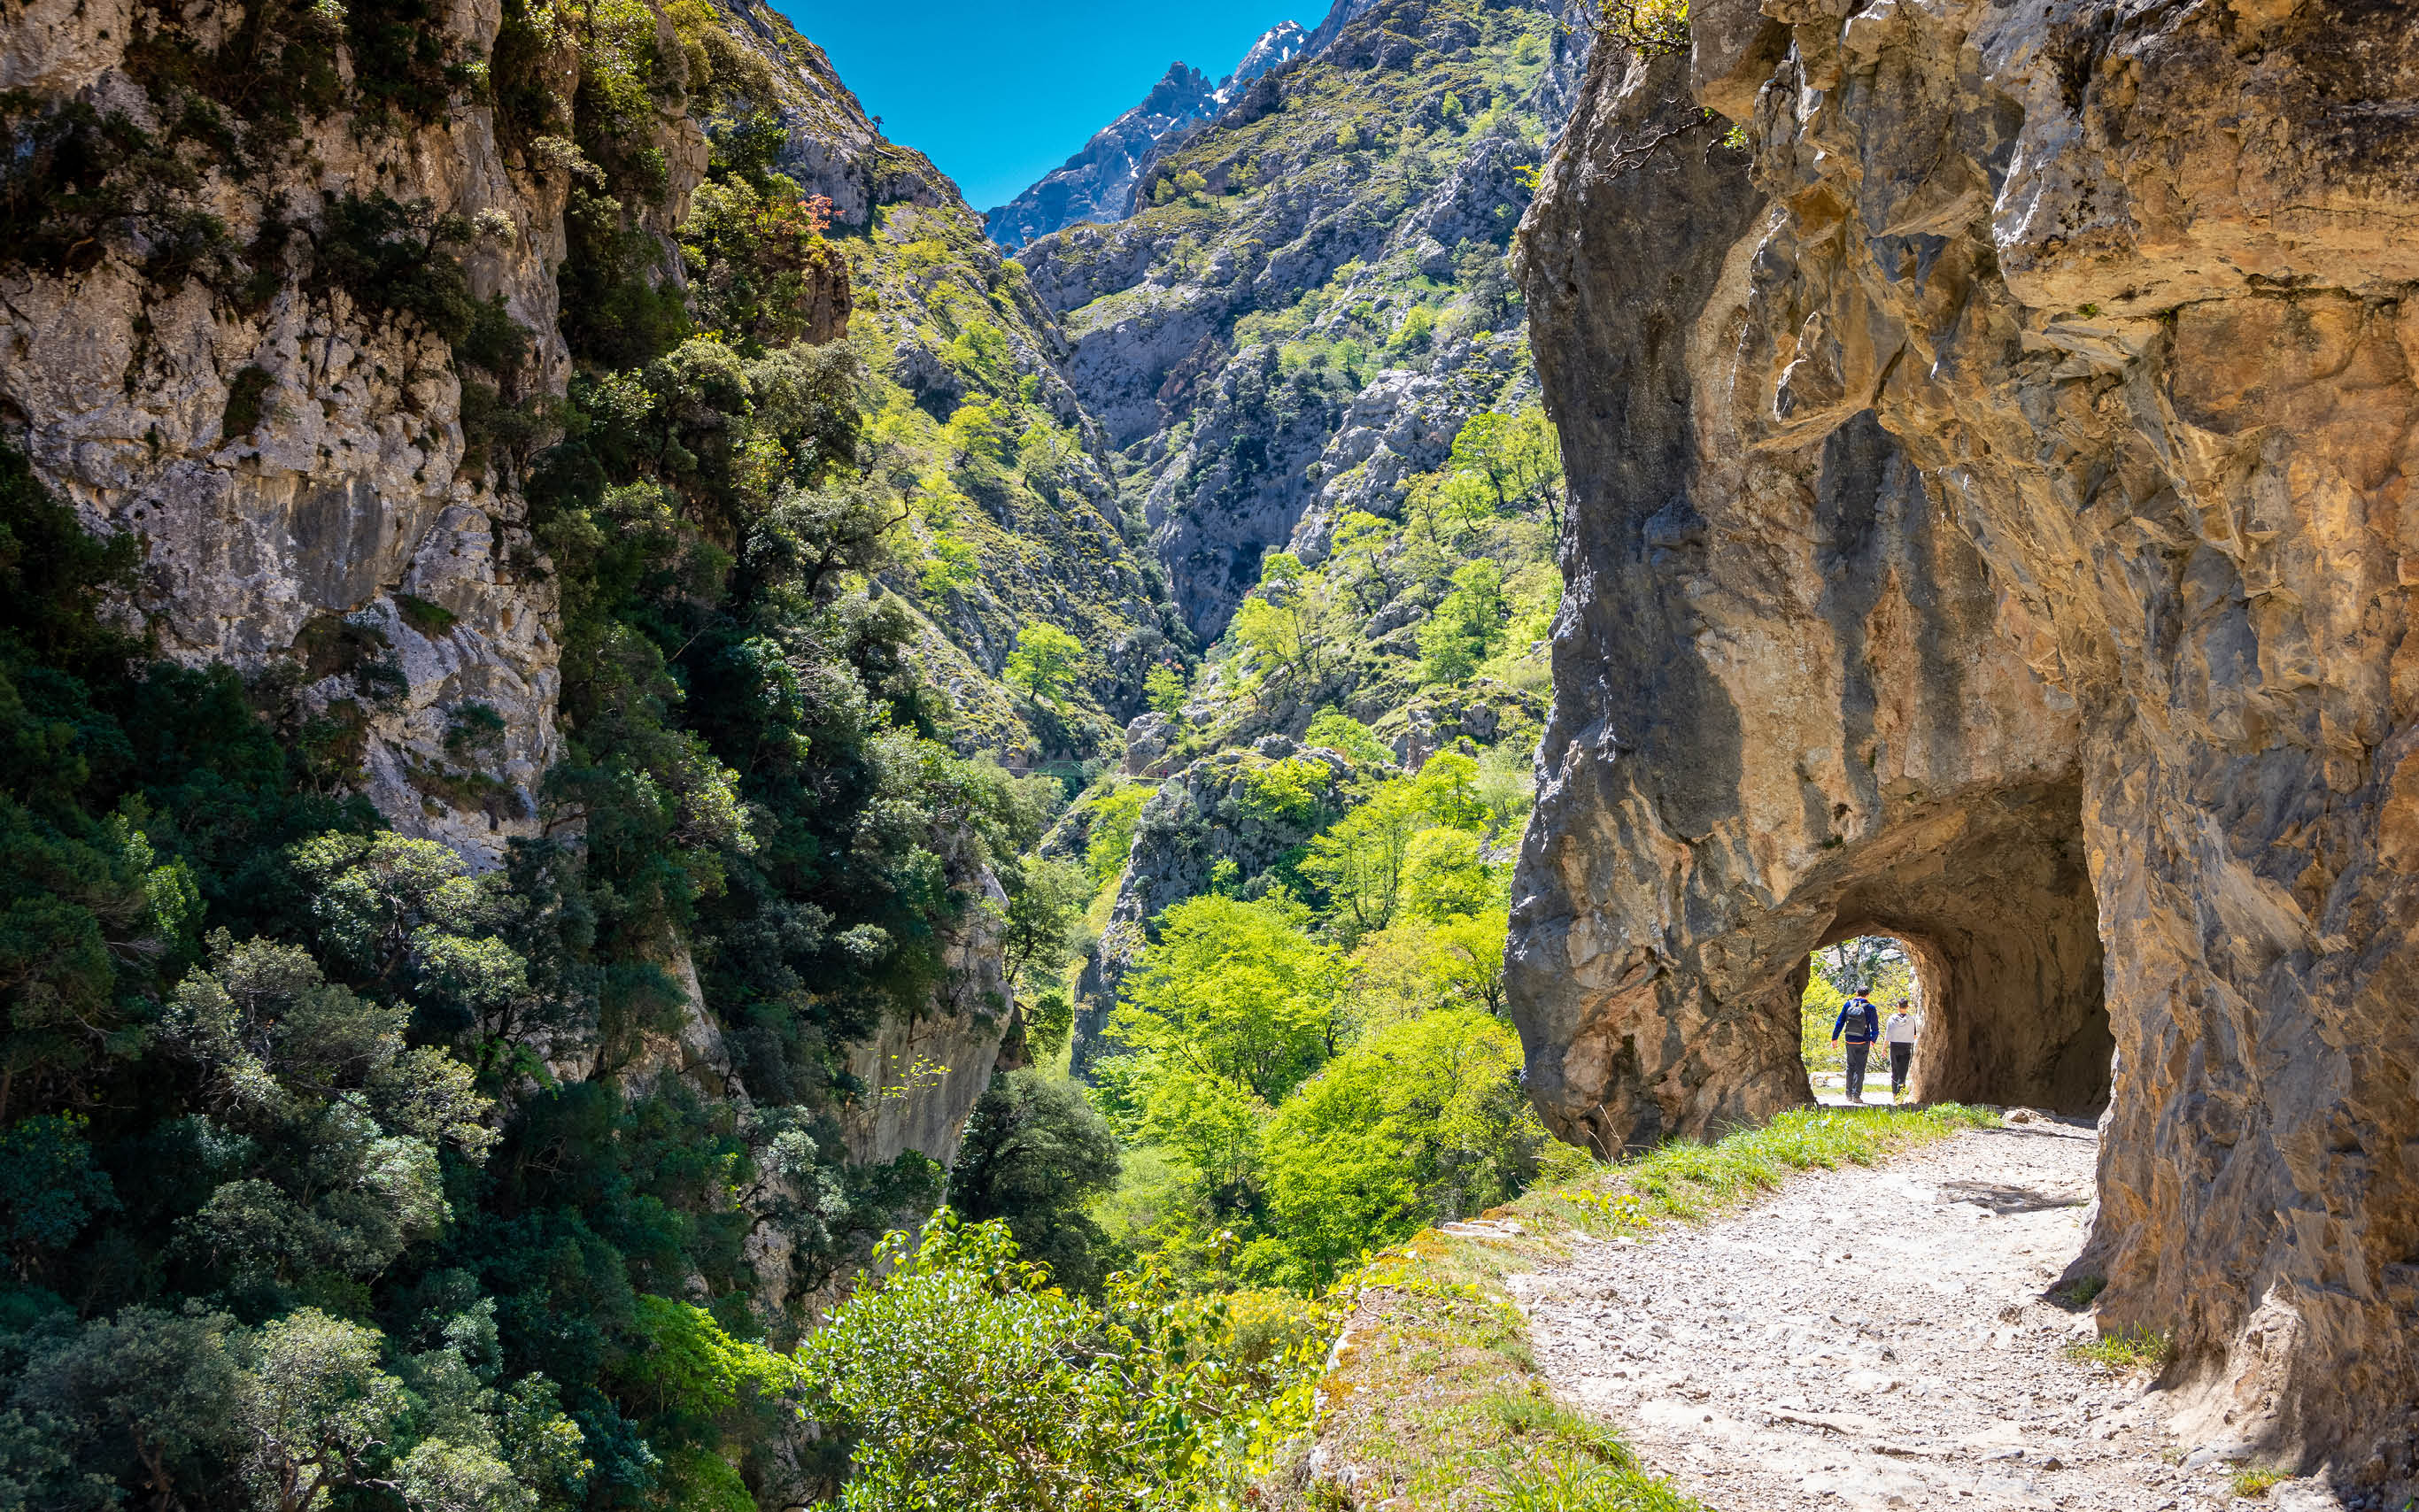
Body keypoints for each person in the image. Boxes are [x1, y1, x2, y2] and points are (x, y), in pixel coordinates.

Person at [1830, 991, 1881, 1102]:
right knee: (1860, 1068)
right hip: (1863, 1040)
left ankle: (1848, 1094)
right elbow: (1875, 1026)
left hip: (1850, 1039)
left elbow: (1839, 1022)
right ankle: (1856, 1095)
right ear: (1867, 995)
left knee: (1850, 1066)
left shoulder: (1848, 1004)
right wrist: (1873, 1039)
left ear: (1856, 993)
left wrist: (1834, 1038)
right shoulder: (1870, 1007)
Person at [1884, 998, 1921, 1102]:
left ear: (1898, 1007)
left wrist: (1884, 1048)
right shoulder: (1911, 1019)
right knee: (1903, 1072)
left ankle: (1894, 1095)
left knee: (1895, 1071)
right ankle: (1901, 1095)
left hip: (1894, 1046)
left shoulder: (1891, 1019)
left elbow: (1888, 1035)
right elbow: (1914, 1035)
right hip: (1906, 1047)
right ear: (1907, 1007)